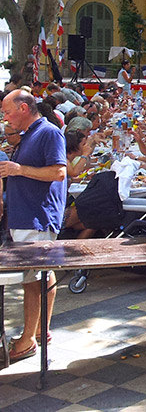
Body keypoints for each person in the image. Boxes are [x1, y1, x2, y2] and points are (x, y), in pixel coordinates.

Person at [0, 90, 67, 363]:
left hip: (37, 217)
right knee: (39, 276)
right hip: (25, 216)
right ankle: (39, 330)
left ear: (24, 108)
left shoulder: (49, 132)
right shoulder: (30, 134)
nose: (5, 118)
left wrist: (18, 169)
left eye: (7, 112)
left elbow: (59, 172)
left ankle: (28, 340)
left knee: (33, 280)